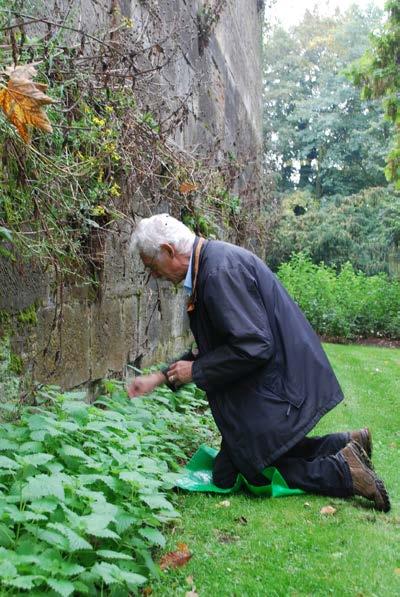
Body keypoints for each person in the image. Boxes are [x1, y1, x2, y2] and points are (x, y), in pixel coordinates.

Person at [128, 213, 390, 512]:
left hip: (280, 387)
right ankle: (345, 443)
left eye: (152, 266)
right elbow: (216, 346)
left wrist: (196, 371)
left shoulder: (218, 273)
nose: (154, 276)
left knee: (250, 469)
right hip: (278, 379)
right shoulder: (210, 266)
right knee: (228, 471)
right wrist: (160, 378)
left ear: (169, 251)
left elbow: (254, 345)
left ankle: (345, 472)